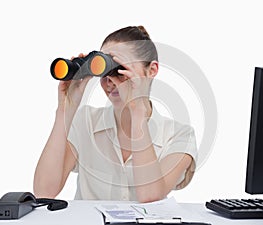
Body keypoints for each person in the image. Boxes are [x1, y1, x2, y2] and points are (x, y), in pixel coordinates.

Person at [33, 26, 197, 203]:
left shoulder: (180, 136)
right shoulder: (86, 122)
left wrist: (137, 112)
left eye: (119, 69)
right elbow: (44, 191)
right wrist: (65, 110)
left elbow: (150, 196)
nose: (111, 80)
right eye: (105, 72)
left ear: (152, 70)